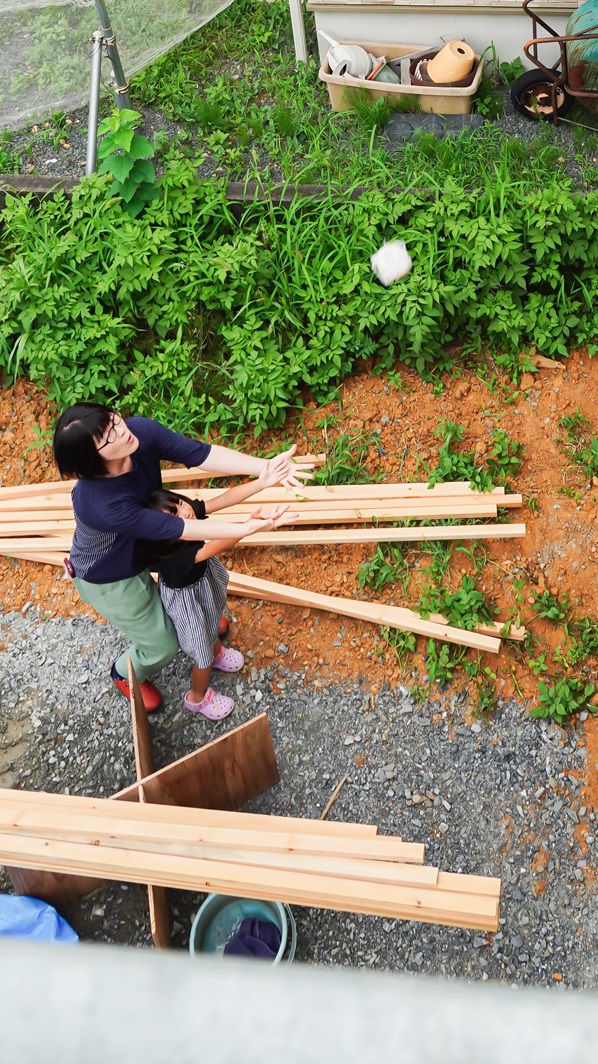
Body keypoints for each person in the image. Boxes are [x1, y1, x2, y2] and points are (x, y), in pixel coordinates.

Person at [53, 403, 312, 711]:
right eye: (109, 436)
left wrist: (265, 468)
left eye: (114, 420)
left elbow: (199, 453)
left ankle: (198, 628)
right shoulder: (101, 503)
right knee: (163, 645)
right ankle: (123, 673)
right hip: (110, 575)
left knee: (185, 606)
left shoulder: (140, 433)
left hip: (148, 548)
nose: (122, 430)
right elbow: (179, 527)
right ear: (91, 460)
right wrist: (250, 526)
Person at [139, 451, 292, 720]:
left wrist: (261, 483)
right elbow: (216, 545)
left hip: (201, 587)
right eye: (176, 516)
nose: (185, 512)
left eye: (178, 504)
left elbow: (224, 499)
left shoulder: (187, 520)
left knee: (212, 620)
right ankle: (196, 698)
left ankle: (215, 648)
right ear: (165, 536)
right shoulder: (176, 557)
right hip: (188, 602)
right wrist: (249, 526)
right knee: (202, 653)